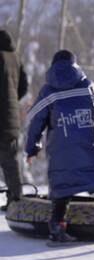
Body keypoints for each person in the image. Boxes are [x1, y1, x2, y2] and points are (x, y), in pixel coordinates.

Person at [25, 50, 94, 243]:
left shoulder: (48, 91)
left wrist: (33, 148)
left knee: (61, 188)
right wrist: (91, 127)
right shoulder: (88, 86)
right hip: (89, 146)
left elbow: (35, 120)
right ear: (74, 64)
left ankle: (57, 229)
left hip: (61, 151)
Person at [0, 30, 28, 212]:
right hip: (11, 119)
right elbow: (24, 87)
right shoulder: (16, 58)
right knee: (10, 162)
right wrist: (11, 100)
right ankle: (16, 201)